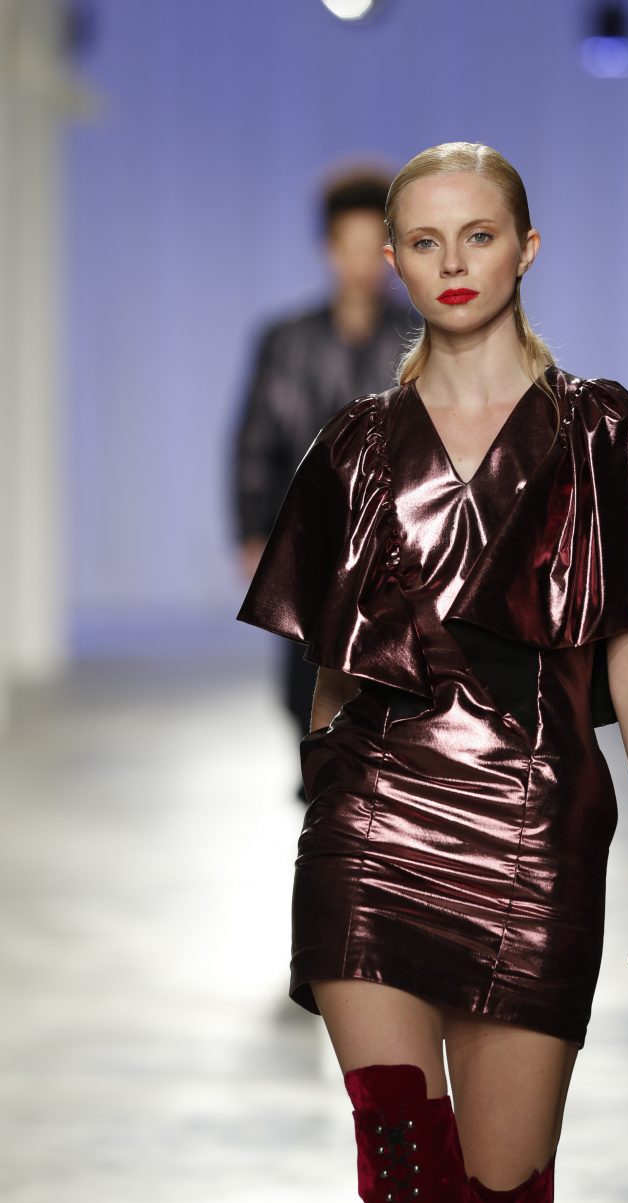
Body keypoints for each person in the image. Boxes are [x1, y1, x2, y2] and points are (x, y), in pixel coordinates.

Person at [236, 141, 628, 1203]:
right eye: (426, 242)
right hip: (371, 826)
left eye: (478, 236)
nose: (454, 263)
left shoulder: (600, 434)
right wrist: (326, 798)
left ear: (526, 249)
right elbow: (333, 665)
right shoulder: (355, 446)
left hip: (533, 826)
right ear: (394, 261)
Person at [231, 164, 411, 792]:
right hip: (307, 530)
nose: (360, 263)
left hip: (395, 531)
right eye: (348, 247)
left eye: (372, 247)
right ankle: (320, 768)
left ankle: (369, 776)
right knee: (301, 665)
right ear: (328, 249)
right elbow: (255, 438)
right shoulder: (285, 341)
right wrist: (251, 529)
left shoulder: (418, 334)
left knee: (386, 658)